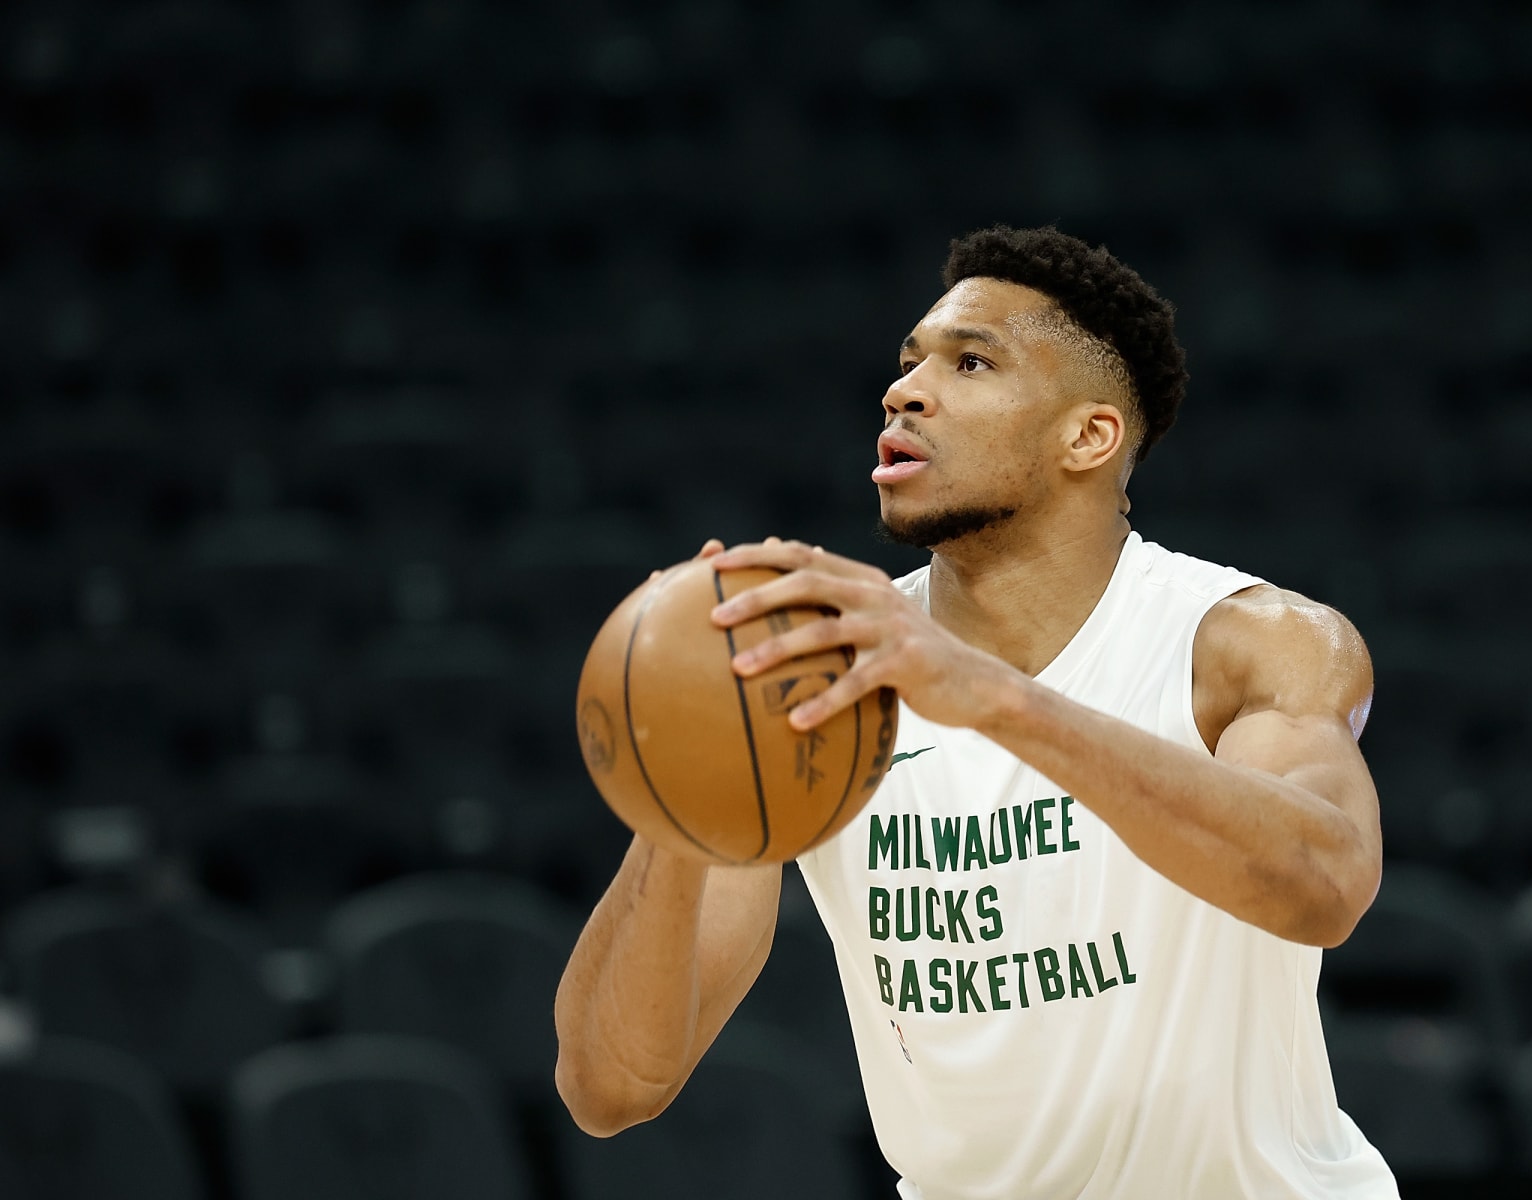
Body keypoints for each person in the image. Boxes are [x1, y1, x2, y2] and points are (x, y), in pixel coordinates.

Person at [554, 225, 1397, 1198]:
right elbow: (611, 1086)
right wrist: (694, 738)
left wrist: (998, 699)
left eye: (969, 362)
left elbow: (1325, 884)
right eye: (907, 363)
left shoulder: (1244, 641)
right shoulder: (822, 676)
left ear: (1089, 436)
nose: (904, 391)